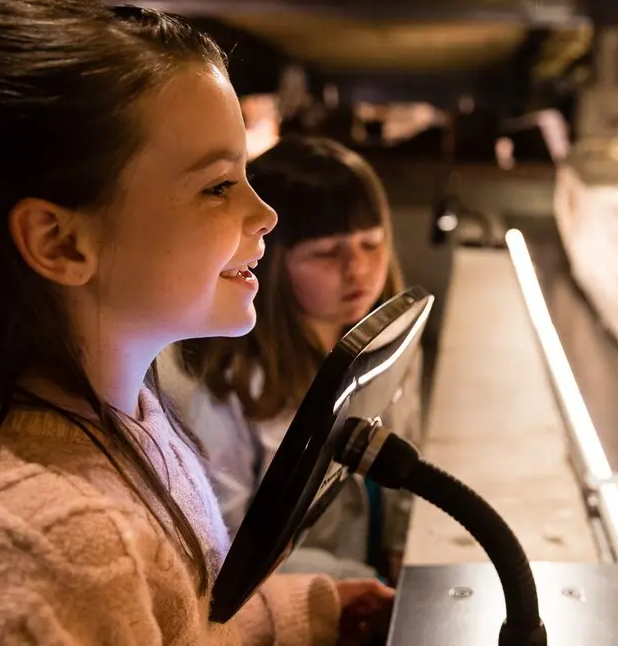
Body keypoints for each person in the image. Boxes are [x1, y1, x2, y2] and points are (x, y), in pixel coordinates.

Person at [0, 2, 392, 644]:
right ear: (60, 242)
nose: (266, 213)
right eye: (218, 186)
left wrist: (303, 612)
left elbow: (182, 616)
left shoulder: (128, 412)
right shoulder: (57, 544)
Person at [161, 134, 423, 584]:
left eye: (371, 243)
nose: (357, 269)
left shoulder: (382, 349)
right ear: (272, 262)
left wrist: (400, 545)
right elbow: (225, 551)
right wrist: (351, 581)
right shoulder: (229, 392)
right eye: (326, 253)